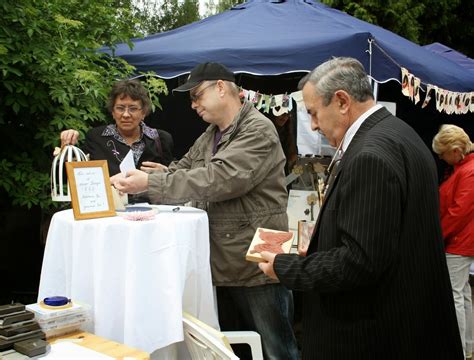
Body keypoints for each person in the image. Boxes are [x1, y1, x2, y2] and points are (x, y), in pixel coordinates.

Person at [258, 57, 463, 359]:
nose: (313, 125)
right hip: (406, 323)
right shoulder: (400, 133)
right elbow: (381, 235)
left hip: (373, 336)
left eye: (314, 113)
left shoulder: (371, 154)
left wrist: (285, 268)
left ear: (341, 101)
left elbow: (361, 261)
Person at [112, 62, 299, 359]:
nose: (193, 104)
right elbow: (184, 168)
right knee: (234, 348)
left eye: (197, 95)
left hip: (258, 262)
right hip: (224, 260)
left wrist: (152, 181)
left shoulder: (258, 129)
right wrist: (157, 177)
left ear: (221, 88)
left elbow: (221, 179)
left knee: (277, 350)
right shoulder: (210, 134)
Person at [60, 79, 174, 176]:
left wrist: (165, 173)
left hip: (150, 202)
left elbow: (171, 182)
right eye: (120, 108)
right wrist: (67, 148)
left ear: (143, 112)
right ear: (113, 112)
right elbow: (73, 174)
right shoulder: (96, 138)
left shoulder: (160, 139)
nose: (126, 114)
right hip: (110, 201)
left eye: (133, 108)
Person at [432, 124, 474, 359]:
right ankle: (467, 347)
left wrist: (438, 236)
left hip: (458, 241)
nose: (440, 158)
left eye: (443, 153)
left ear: (456, 150)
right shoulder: (465, 168)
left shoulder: (468, 171)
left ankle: (456, 348)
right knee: (463, 293)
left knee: (454, 295)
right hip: (462, 240)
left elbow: (459, 212)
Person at [269, 111, 298, 175]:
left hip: (284, 174)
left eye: (288, 115)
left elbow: (292, 156)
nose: (285, 117)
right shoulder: (267, 131)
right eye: (282, 113)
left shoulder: (287, 132)